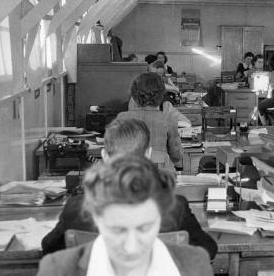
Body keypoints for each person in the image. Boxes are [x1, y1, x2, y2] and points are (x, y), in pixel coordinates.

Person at [41, 118, 217, 258]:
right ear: (148, 155)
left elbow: (48, 247)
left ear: (104, 156)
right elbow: (208, 249)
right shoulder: (176, 206)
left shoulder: (77, 207)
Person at [37, 154, 214, 276]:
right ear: (97, 218)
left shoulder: (196, 263)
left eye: (145, 228)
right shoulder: (55, 269)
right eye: (118, 230)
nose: (131, 247)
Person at [117, 73, 183, 170]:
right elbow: (176, 156)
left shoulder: (121, 119)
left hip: (130, 176)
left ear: (134, 94)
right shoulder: (168, 119)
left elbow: (113, 153)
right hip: (161, 177)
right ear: (161, 94)